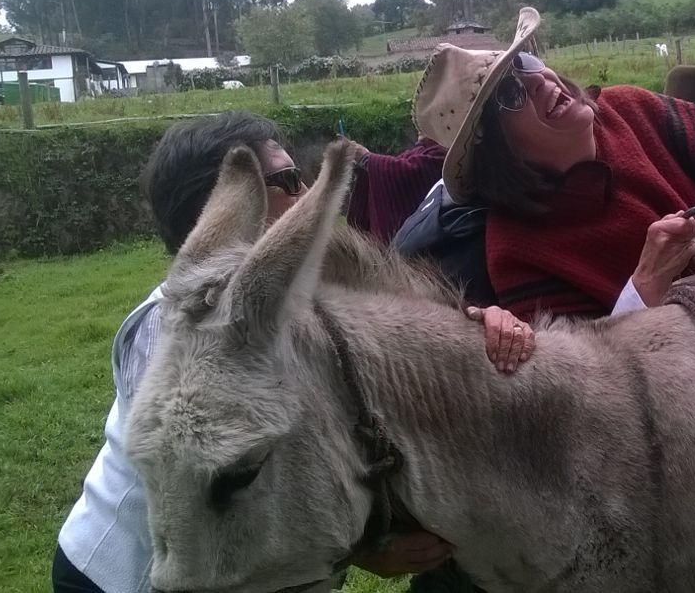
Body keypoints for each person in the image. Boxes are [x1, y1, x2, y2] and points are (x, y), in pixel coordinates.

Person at [53, 112, 531, 593]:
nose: (305, 195)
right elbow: (196, 468)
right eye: (286, 180)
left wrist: (469, 329)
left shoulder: (286, 311)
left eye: (300, 177)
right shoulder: (171, 328)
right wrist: (363, 550)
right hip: (125, 576)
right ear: (219, 205)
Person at [411, 8, 695, 319]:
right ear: (499, 155)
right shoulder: (516, 249)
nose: (541, 81)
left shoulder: (629, 107)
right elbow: (586, 382)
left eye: (526, 64)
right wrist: (644, 286)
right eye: (510, 95)